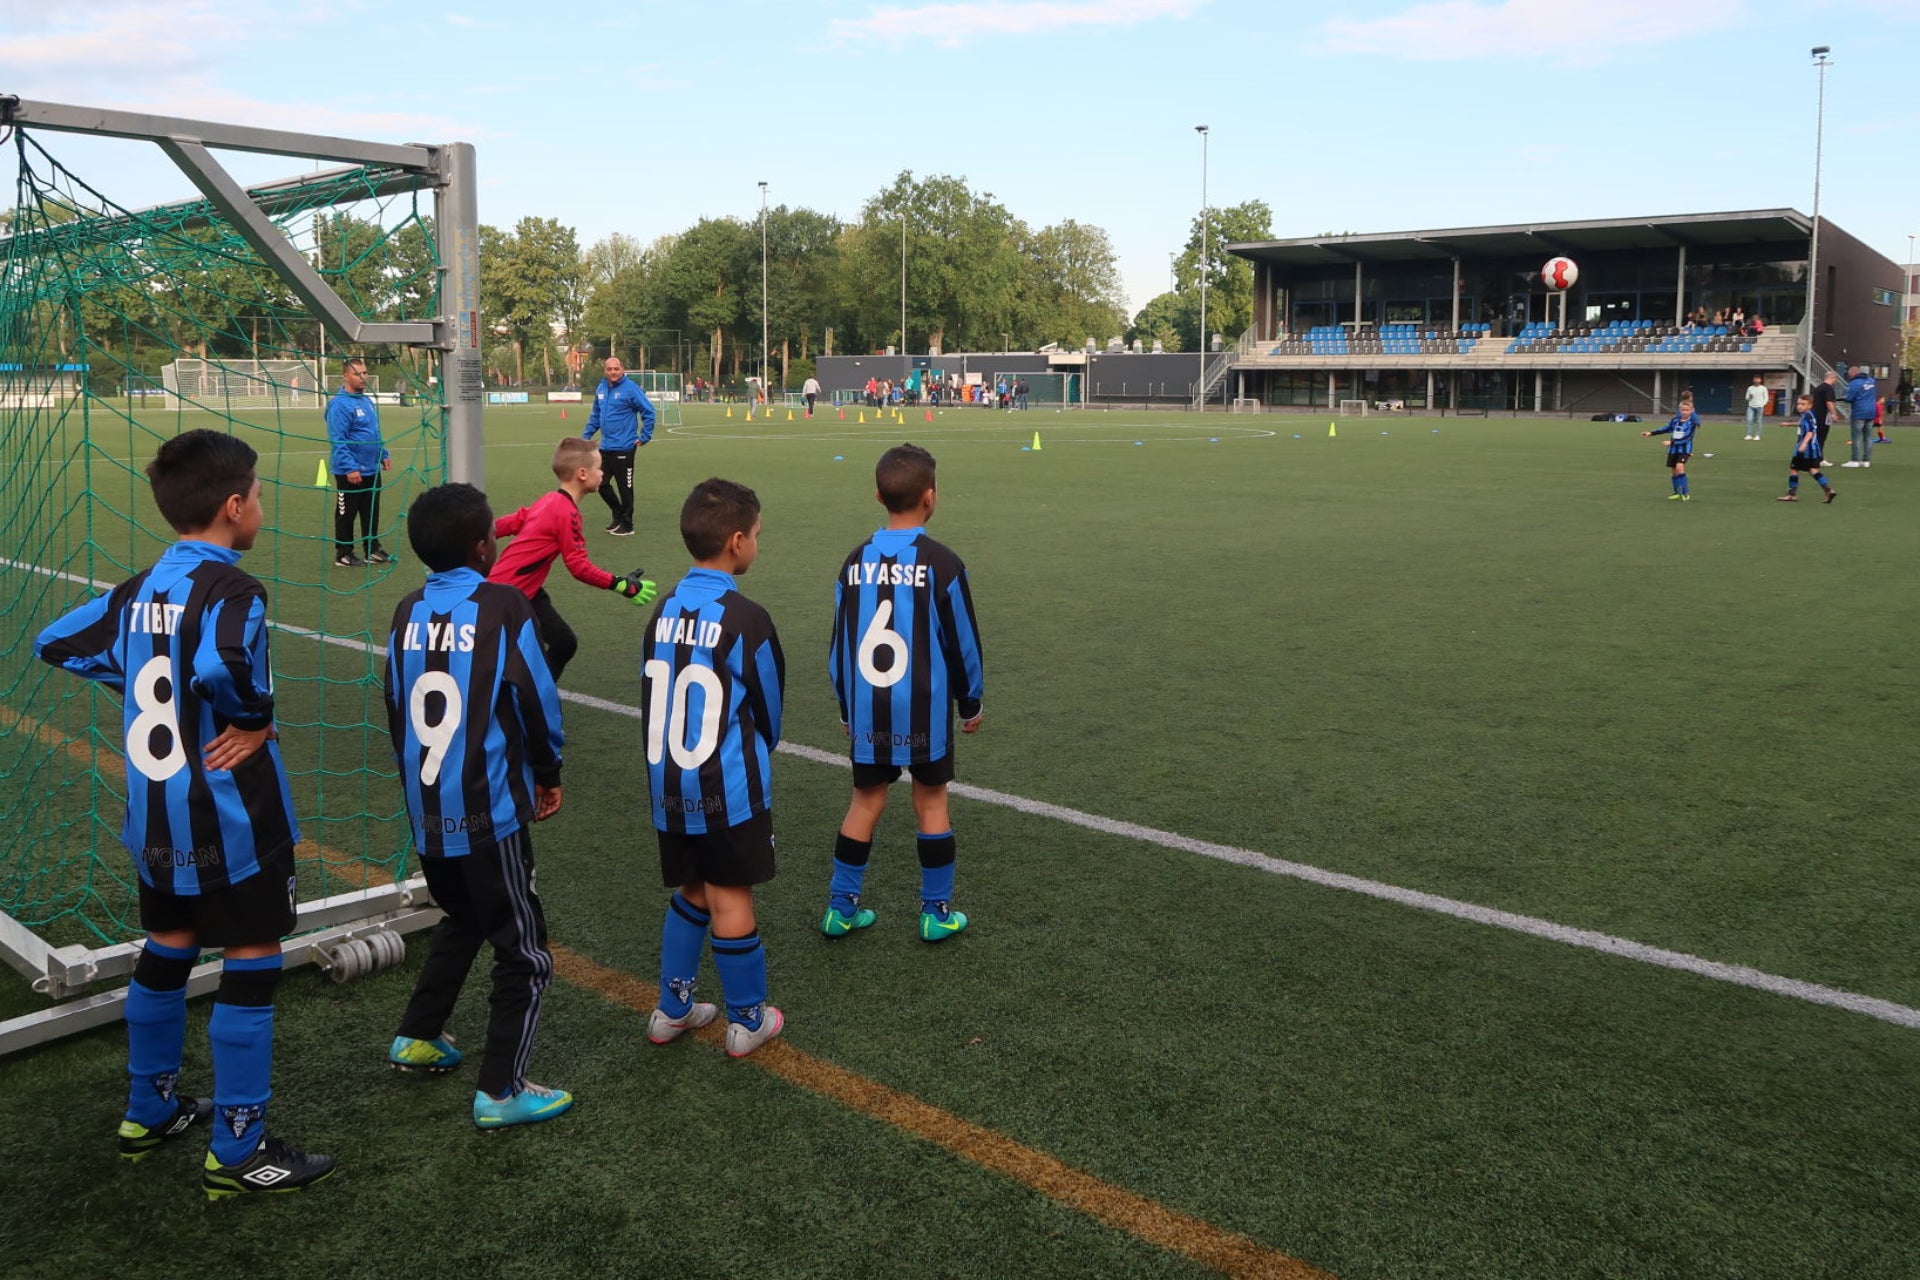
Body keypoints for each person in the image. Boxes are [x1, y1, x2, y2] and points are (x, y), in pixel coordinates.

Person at [35, 429, 335, 1199]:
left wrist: (136, 683)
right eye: (259, 495)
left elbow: (56, 642)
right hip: (231, 814)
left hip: (155, 815)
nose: (262, 507)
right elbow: (224, 665)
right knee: (253, 955)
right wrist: (253, 719)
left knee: (168, 944)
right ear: (234, 507)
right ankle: (237, 1152)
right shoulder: (234, 590)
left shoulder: (141, 587)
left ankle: (150, 1110)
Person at [383, 482, 574, 1129]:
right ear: (482, 546)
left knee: (463, 915)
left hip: (428, 808)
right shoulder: (504, 605)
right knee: (525, 951)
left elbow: (394, 702)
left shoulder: (406, 610)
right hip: (489, 811)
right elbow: (537, 700)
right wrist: (548, 771)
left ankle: (418, 1034)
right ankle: (501, 1090)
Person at [640, 478, 786, 1058]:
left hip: (668, 784)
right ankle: (747, 1020)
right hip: (726, 786)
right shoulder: (746, 618)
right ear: (736, 542)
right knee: (730, 896)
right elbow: (769, 710)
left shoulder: (661, 611)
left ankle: (672, 1009)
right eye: (757, 534)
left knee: (693, 888)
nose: (757, 543)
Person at [821, 443, 985, 943]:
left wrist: (846, 708)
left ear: (878, 496)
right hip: (924, 711)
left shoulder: (854, 562)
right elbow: (962, 642)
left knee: (865, 802)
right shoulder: (942, 563)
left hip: (868, 710)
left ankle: (840, 908)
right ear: (931, 496)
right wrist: (971, 701)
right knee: (931, 802)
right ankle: (935, 912)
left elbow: (839, 646)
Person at [488, 437, 657, 683]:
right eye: (599, 467)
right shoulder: (567, 513)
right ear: (582, 474)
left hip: (526, 590)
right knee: (514, 653)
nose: (602, 473)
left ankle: (535, 693)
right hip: (508, 595)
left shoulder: (550, 499)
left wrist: (482, 531)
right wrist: (621, 585)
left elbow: (514, 521)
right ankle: (524, 695)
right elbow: (578, 567)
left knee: (563, 642)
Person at [327, 357, 393, 567]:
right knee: (346, 514)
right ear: (346, 376)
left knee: (370, 511)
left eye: (365, 373)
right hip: (350, 472)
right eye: (358, 374)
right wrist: (350, 468)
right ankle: (343, 553)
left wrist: (383, 454)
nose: (363, 377)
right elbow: (338, 440)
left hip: (371, 469)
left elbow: (373, 432)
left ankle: (372, 549)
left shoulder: (366, 401)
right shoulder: (339, 405)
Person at [581, 356, 655, 537]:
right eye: (609, 369)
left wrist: (645, 436)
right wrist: (585, 436)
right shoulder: (601, 388)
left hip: (625, 447)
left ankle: (627, 525)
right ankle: (618, 514)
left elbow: (649, 411)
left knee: (625, 488)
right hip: (605, 447)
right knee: (600, 483)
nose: (613, 372)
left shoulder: (631, 389)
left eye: (616, 368)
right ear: (605, 370)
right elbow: (595, 415)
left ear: (622, 369)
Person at [1778, 394, 1837, 504]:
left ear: (1810, 405)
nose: (1800, 406)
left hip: (1806, 449)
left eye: (1803, 404)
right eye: (1798, 404)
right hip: (1814, 449)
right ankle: (1828, 490)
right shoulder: (1809, 415)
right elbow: (1802, 424)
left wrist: (1804, 444)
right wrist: (1788, 424)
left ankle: (1791, 494)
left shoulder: (1807, 416)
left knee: (1794, 469)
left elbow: (1810, 432)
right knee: (1813, 470)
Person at [1641, 396, 1701, 500]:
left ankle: (1685, 493)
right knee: (1674, 471)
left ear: (1692, 410)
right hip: (1673, 450)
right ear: (1679, 410)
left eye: (1687, 410)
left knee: (1679, 467)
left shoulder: (1692, 423)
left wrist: (1671, 442)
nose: (1684, 412)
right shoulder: (1675, 420)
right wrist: (1651, 433)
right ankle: (1677, 492)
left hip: (1684, 450)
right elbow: (1666, 428)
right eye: (1683, 410)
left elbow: (1687, 437)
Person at [1842, 363, 1878, 467]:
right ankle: (1866, 461)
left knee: (1856, 437)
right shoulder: (1871, 381)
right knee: (1868, 437)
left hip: (1859, 412)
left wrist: (1843, 398)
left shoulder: (1855, 383)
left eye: (1849, 374)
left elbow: (1849, 398)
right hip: (1871, 412)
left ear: (1853, 373)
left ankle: (1855, 460)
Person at [1811, 370, 1839, 461]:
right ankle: (1819, 458)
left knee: (1816, 437)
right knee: (1821, 438)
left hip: (1815, 415)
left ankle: (1813, 456)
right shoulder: (1828, 389)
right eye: (1836, 379)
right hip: (1823, 417)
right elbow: (1829, 402)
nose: (1836, 381)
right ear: (1832, 378)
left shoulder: (1818, 388)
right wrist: (1834, 414)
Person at [1743, 375, 1769, 440]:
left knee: (1758, 421)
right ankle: (1749, 435)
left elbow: (1766, 398)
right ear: (1753, 380)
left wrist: (1762, 404)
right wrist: (1750, 397)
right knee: (1749, 420)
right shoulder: (1750, 388)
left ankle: (1758, 435)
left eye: (1758, 379)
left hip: (1759, 407)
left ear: (1760, 380)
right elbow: (1746, 398)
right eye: (1755, 379)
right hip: (1751, 406)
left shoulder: (1763, 388)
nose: (1756, 380)